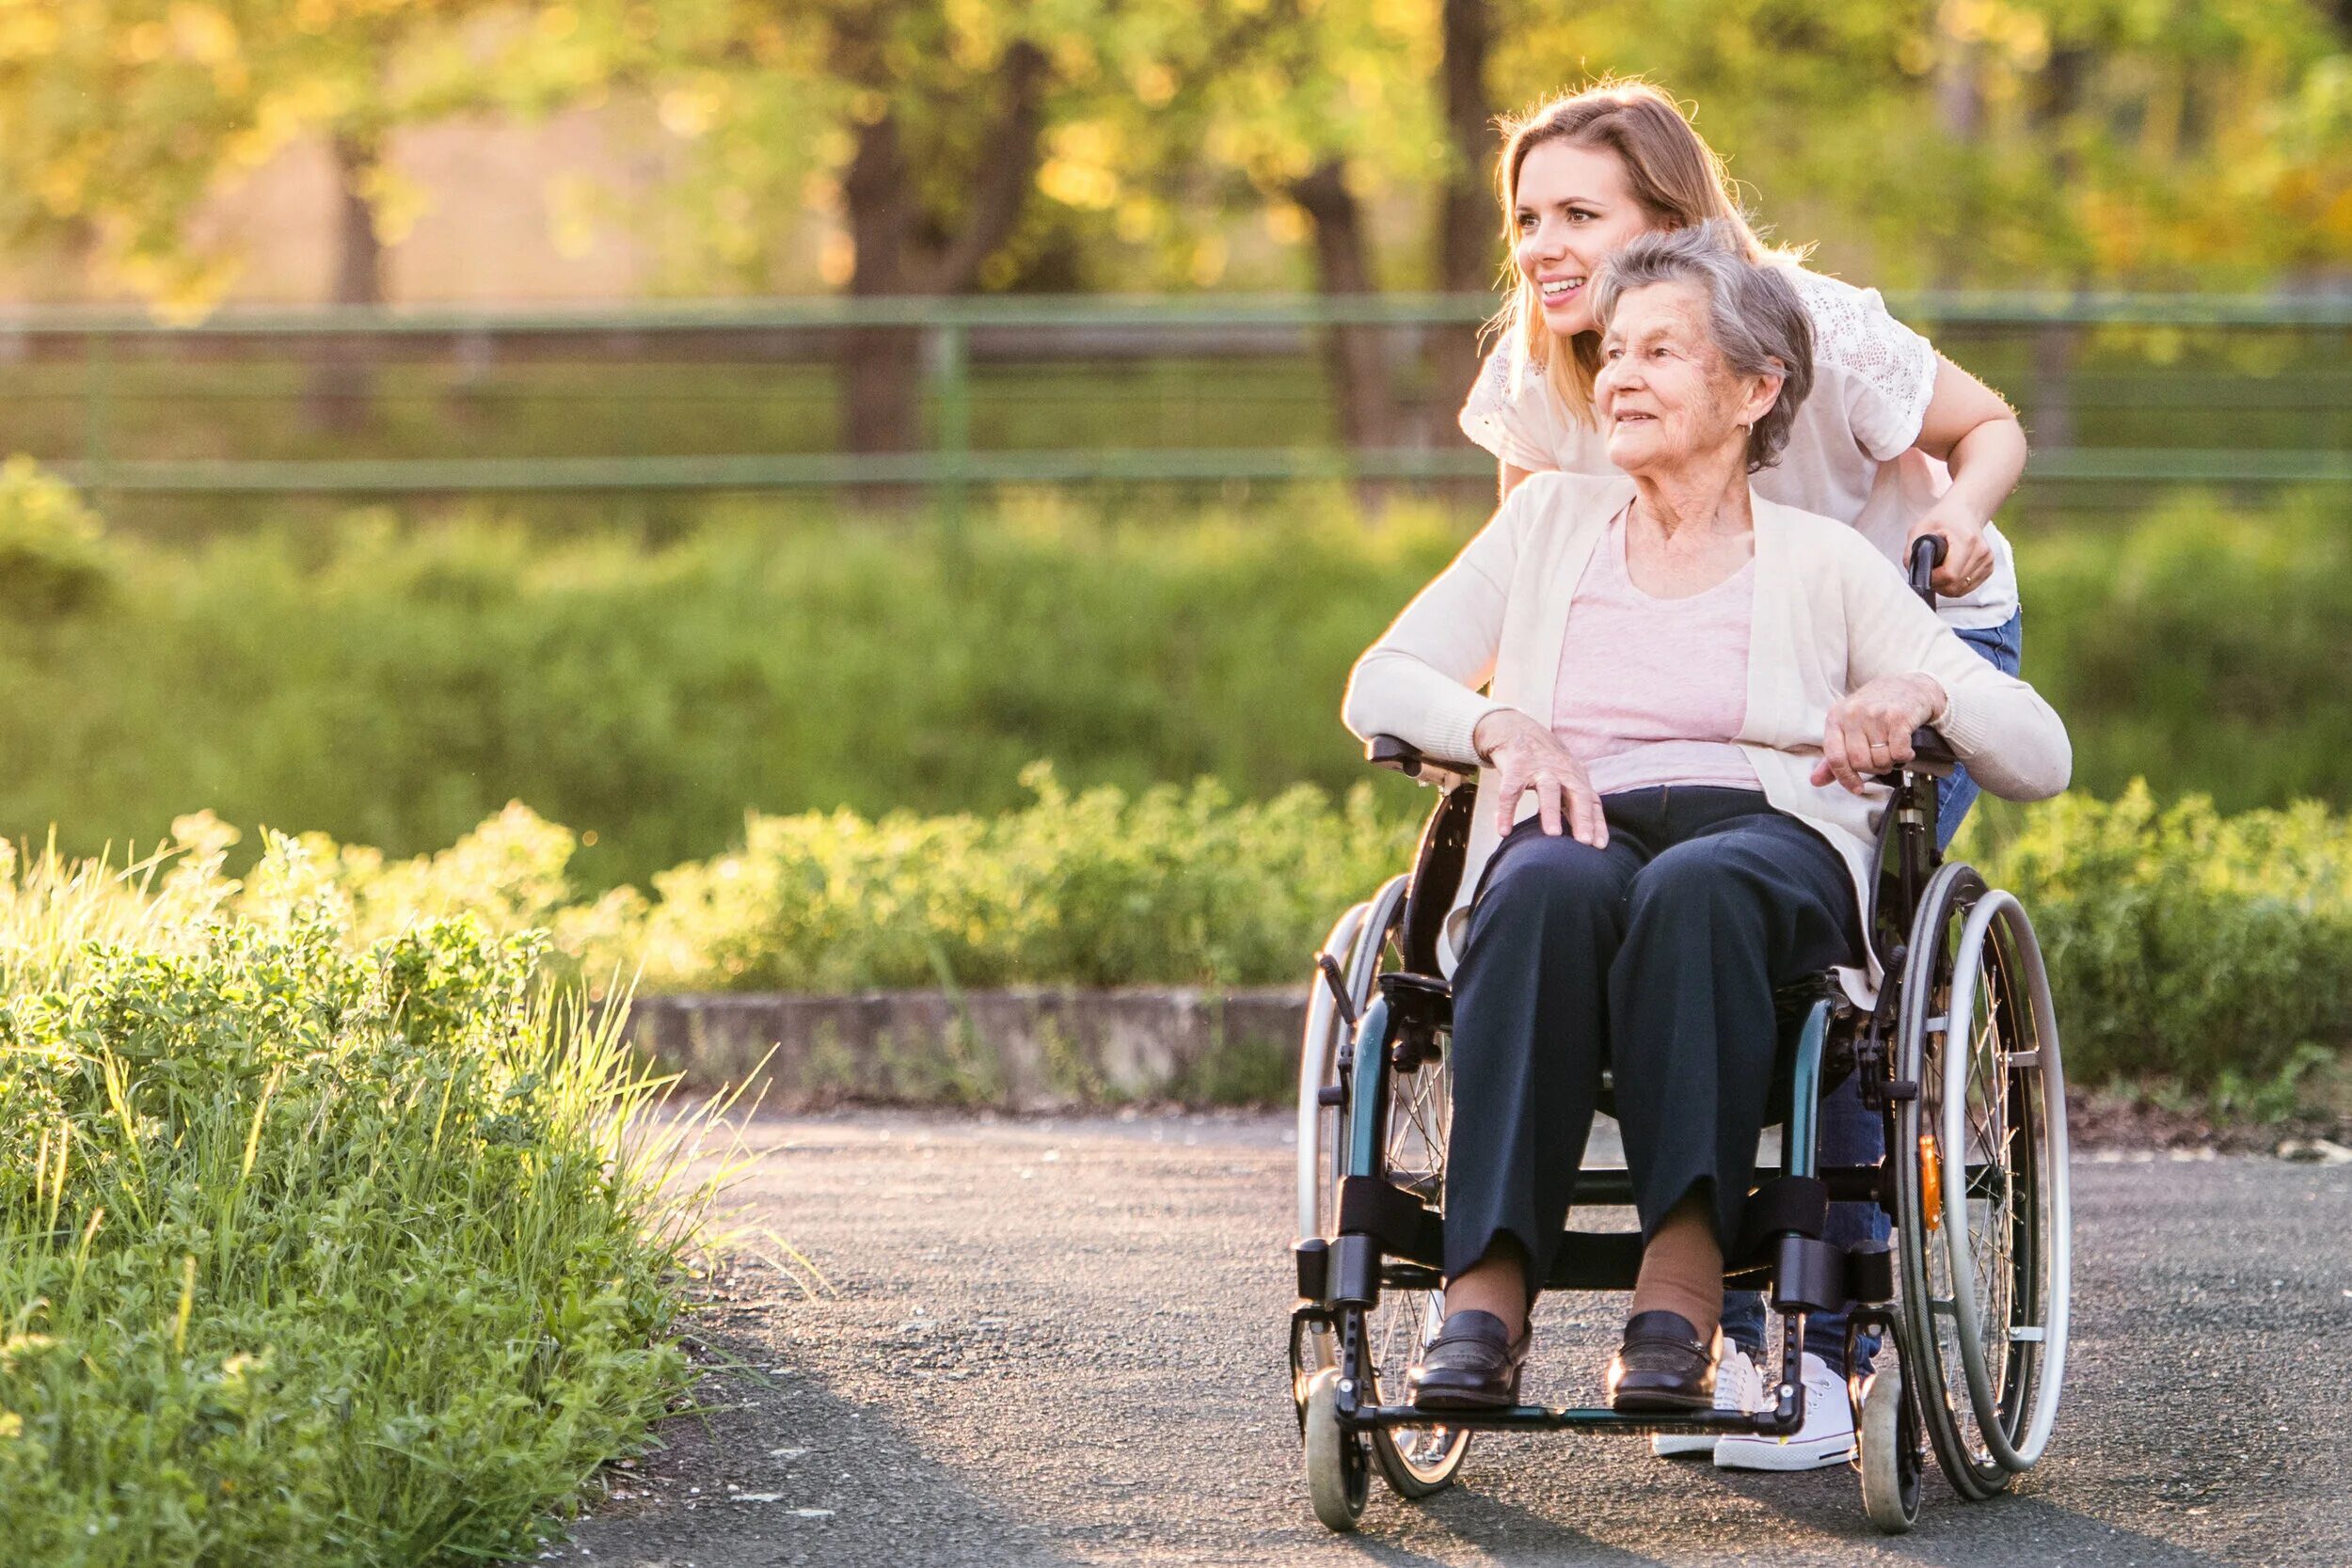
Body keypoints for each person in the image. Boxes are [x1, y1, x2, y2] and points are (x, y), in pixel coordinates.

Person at [1341, 223, 2068, 1428]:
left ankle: (1675, 1288)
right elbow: (1381, 677)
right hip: (1578, 814)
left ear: (1753, 389)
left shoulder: (1826, 561)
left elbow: (2040, 749)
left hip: (1763, 838)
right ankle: (1486, 1290)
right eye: (1613, 351)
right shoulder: (1545, 526)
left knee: (1701, 888)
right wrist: (1500, 728)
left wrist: (1925, 690)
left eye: (1662, 352)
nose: (1618, 373)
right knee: (1537, 889)